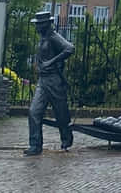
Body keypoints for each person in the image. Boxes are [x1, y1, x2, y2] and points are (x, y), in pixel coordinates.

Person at [24, 11, 74, 156]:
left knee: (61, 114)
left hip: (54, 80)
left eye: (39, 24)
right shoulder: (43, 38)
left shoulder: (54, 37)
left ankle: (66, 139)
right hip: (43, 80)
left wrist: (51, 62)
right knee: (34, 111)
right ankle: (35, 145)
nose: (37, 26)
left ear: (46, 24)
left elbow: (70, 48)